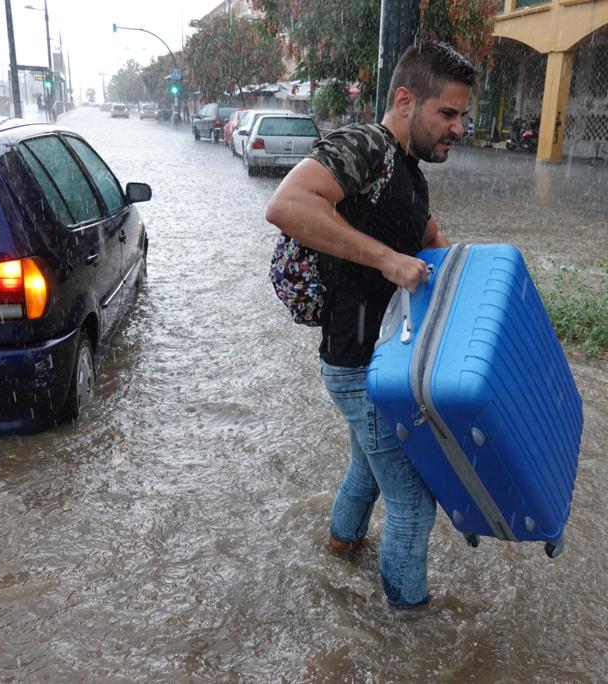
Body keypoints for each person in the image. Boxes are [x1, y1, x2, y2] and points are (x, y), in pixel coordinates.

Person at [265, 42, 474, 608]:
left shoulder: (407, 170)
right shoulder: (364, 145)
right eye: (448, 113)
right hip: (359, 367)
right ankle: (404, 630)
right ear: (405, 100)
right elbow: (287, 204)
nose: (459, 127)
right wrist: (386, 259)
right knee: (412, 506)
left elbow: (429, 239)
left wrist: (479, 291)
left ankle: (339, 547)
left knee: (367, 469)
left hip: (380, 360)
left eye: (463, 115)